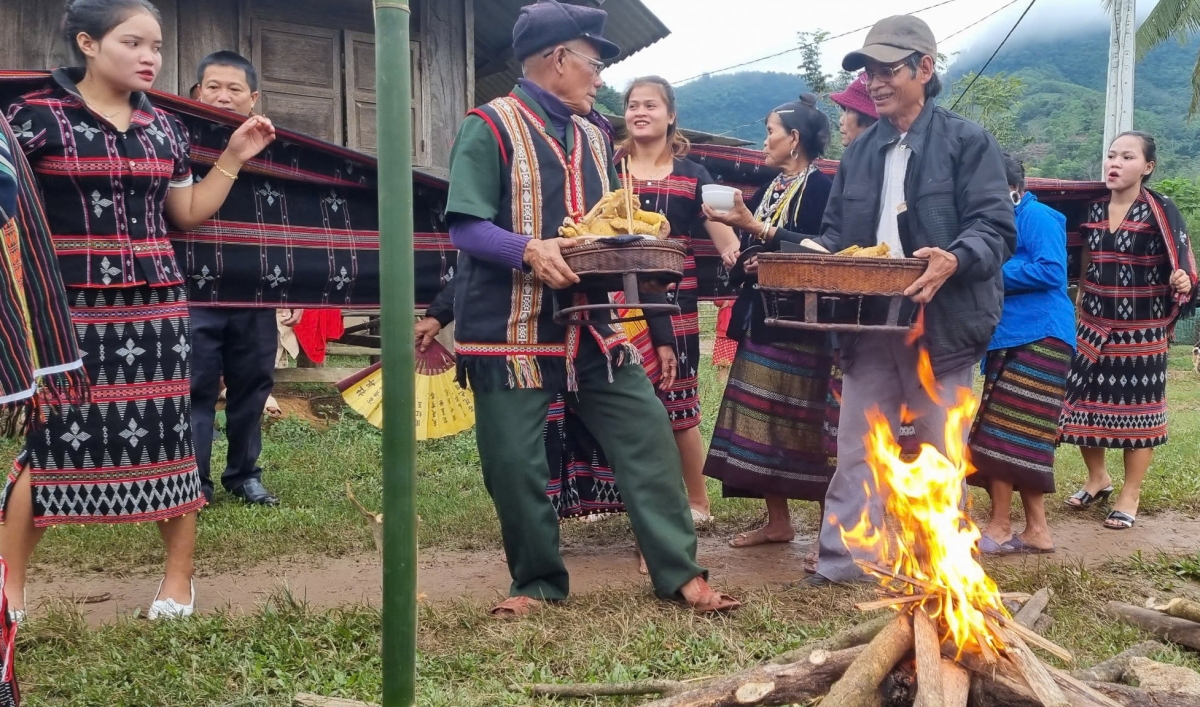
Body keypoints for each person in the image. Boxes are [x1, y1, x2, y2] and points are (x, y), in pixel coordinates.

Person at [445, 0, 738, 616]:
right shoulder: (488, 125)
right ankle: (536, 584)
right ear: (558, 59)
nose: (601, 77)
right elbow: (467, 228)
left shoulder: (595, 134)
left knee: (648, 433)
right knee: (515, 465)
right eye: (594, 62)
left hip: (594, 325)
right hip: (510, 330)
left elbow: (613, 227)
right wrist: (526, 248)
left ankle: (680, 573)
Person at [1, 0, 275, 620]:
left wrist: (231, 158)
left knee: (171, 437)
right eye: (134, 43)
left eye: (155, 46)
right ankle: (9, 589)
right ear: (88, 44)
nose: (150, 57)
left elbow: (183, 215)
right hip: (63, 310)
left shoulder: (165, 129)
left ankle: (178, 583)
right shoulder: (33, 118)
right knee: (49, 445)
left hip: (157, 310)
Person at [807, 15, 1015, 585]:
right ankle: (844, 564)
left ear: (925, 69)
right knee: (857, 445)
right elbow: (834, 236)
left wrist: (954, 256)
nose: (874, 82)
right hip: (869, 321)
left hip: (942, 324)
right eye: (868, 71)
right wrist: (797, 252)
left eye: (888, 69)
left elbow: (996, 228)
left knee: (939, 448)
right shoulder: (860, 151)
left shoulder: (967, 143)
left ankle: (944, 565)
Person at [700, 95, 835, 554]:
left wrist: (761, 242)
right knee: (761, 422)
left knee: (810, 425)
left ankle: (828, 530)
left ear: (794, 139)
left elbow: (827, 250)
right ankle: (777, 521)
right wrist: (744, 259)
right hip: (760, 317)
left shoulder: (824, 189)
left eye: (771, 131)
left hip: (805, 325)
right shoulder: (767, 191)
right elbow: (747, 252)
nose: (765, 140)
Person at [616, 75, 740, 524]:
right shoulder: (609, 169)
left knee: (678, 397)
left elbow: (722, 232)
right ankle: (622, 498)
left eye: (650, 105)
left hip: (674, 297)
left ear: (671, 116)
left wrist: (735, 254)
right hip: (613, 297)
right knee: (619, 394)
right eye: (632, 105)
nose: (640, 112)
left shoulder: (693, 175)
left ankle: (696, 500)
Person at [1059, 131, 1197, 529]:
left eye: (1127, 157)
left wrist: (1183, 280)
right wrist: (1082, 301)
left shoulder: (1160, 210)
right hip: (1093, 324)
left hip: (1142, 331)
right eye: (1111, 155)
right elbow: (1083, 260)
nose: (1114, 163)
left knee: (1139, 415)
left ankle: (1130, 493)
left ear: (1147, 167)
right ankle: (1097, 478)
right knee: (1083, 406)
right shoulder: (1093, 208)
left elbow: (1182, 260)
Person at [189, 50, 293, 506]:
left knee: (252, 383)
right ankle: (194, 480)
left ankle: (244, 474)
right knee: (196, 385)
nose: (224, 98)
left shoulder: (276, 151)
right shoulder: (176, 141)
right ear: (196, 93)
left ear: (253, 99)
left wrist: (296, 285)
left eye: (235, 90)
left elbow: (294, 221)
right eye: (214, 87)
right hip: (193, 287)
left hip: (256, 287)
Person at [968, 154, 1075, 554]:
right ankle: (1037, 530)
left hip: (1042, 334)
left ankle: (999, 526)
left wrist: (987, 271)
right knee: (1018, 435)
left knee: (1005, 433)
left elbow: (1051, 270)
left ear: (1016, 189)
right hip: (1008, 336)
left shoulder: (1039, 217)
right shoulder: (995, 223)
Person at [829, 73, 878, 148]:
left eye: (849, 112)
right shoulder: (854, 156)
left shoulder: (887, 158)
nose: (841, 121)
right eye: (845, 111)